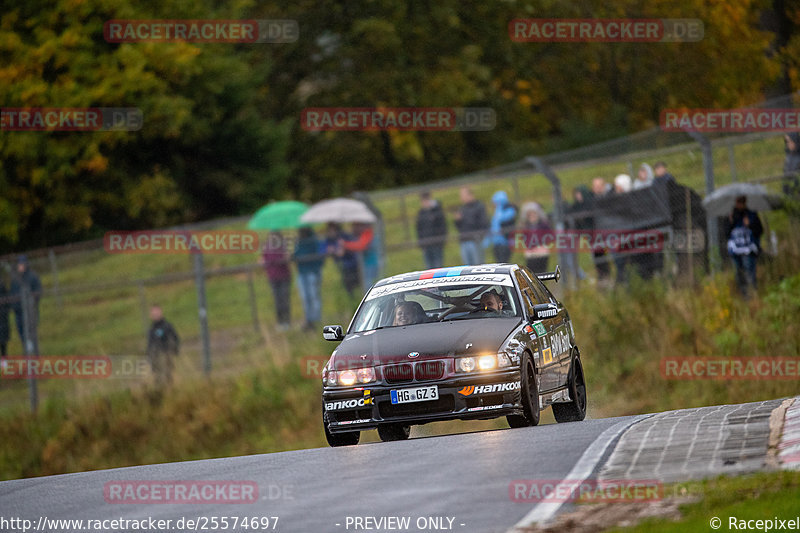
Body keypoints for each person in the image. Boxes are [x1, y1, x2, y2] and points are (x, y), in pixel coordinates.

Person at [725, 196, 763, 297]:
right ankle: (743, 295)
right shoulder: (732, 216)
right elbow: (726, 233)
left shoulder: (751, 215)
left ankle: (753, 294)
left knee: (749, 272)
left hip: (748, 250)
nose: (739, 204)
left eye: (741, 202)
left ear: (745, 202)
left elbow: (759, 231)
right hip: (735, 251)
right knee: (738, 274)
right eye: (738, 202)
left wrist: (749, 224)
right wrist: (731, 222)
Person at [293, 227, 324, 331]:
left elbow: (320, 257)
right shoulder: (299, 243)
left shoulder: (314, 241)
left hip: (312, 273)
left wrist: (315, 268)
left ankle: (316, 320)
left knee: (313, 296)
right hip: (302, 273)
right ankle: (308, 320)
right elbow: (296, 255)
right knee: (305, 298)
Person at [10, 255, 41, 354]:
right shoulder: (15, 279)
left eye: (22, 264)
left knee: (31, 334)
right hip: (18, 312)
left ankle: (35, 355)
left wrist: (31, 302)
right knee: (22, 335)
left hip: (29, 311)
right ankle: (27, 355)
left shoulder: (32, 277)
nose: (20, 266)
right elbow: (12, 293)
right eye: (19, 264)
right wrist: (14, 305)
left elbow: (38, 291)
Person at [260, 231, 292, 330]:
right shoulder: (267, 247)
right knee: (277, 301)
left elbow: (287, 258)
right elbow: (262, 259)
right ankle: (280, 322)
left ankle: (286, 322)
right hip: (273, 278)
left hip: (284, 277)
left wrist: (287, 257)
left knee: (284, 300)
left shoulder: (283, 246)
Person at [453, 187, 490, 265]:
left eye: (463, 195)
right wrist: (457, 220)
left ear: (470, 195)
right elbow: (459, 227)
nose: (461, 198)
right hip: (464, 240)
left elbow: (483, 223)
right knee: (467, 267)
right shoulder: (462, 208)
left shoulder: (479, 206)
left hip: (475, 240)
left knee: (478, 265)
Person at [146, 304, 180, 387]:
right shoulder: (151, 330)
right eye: (153, 313)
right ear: (151, 315)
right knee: (158, 379)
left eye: (157, 312)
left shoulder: (167, 326)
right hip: (156, 359)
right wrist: (149, 357)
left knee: (167, 377)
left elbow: (175, 339)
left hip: (166, 357)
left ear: (161, 312)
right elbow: (150, 345)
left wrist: (172, 352)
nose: (155, 314)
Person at [324, 223, 360, 297]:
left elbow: (343, 252)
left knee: (356, 285)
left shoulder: (343, 236)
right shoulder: (330, 239)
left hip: (352, 265)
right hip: (343, 267)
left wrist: (339, 249)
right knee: (348, 288)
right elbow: (324, 249)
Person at [342, 222, 379, 292]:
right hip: (365, 266)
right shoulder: (360, 235)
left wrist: (345, 244)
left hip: (371, 265)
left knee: (369, 287)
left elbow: (360, 246)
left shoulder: (367, 233)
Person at [563, 186, 590, 283]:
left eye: (579, 194)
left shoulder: (588, 204)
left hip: (577, 235)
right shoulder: (574, 206)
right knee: (567, 259)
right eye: (576, 194)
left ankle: (582, 277)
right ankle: (579, 277)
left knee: (570, 259)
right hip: (569, 235)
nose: (578, 196)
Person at [416, 191, 448, 269]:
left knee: (438, 266)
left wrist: (441, 240)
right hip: (426, 244)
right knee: (429, 267)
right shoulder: (421, 213)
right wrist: (421, 242)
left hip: (436, 243)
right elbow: (419, 229)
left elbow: (443, 226)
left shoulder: (437, 212)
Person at [590, 178, 612, 283]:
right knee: (598, 253)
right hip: (597, 233)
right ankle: (603, 275)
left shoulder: (610, 198)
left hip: (611, 231)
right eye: (595, 186)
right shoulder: (591, 200)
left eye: (599, 186)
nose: (597, 188)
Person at [519, 202, 551, 273]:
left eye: (534, 214)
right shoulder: (526, 227)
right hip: (531, 253)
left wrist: (540, 244)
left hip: (541, 251)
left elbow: (549, 236)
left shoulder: (543, 225)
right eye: (530, 215)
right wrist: (531, 247)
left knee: (542, 272)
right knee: (532, 272)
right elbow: (524, 239)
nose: (532, 217)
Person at [488, 191, 517, 263]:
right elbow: (493, 226)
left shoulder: (509, 209)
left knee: (503, 261)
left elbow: (502, 219)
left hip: (505, 241)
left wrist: (499, 209)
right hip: (497, 242)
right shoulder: (497, 211)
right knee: (498, 261)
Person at [783, 133, 800, 197]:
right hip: (788, 189)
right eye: (786, 141)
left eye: (790, 141)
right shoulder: (788, 157)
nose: (788, 144)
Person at [0, 273, 10, 367]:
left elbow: (7, 300)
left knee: (3, 340)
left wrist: (4, 311)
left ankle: (4, 358)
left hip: (2, 317)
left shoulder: (2, 286)